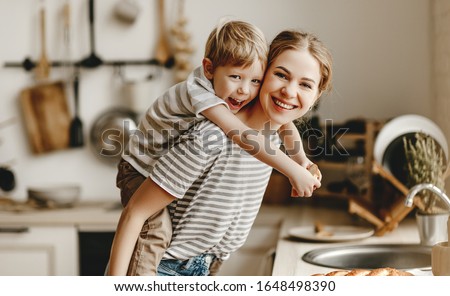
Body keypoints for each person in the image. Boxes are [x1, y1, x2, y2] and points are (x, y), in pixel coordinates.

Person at [109, 29, 333, 276]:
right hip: (164, 269)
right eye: (281, 75)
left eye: (305, 84)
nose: (290, 92)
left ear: (317, 95)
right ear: (264, 72)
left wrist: (302, 161)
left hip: (206, 267)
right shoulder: (211, 136)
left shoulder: (273, 137)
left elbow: (282, 128)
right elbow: (136, 212)